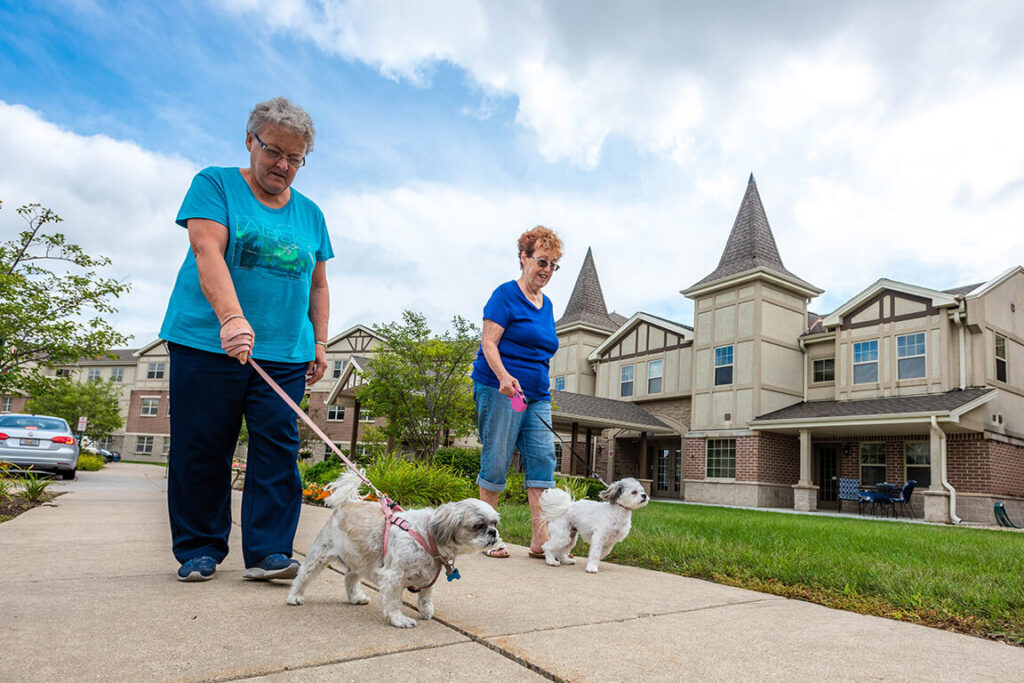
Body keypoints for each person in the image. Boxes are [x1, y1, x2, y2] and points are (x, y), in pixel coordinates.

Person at [159, 97, 333, 582]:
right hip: (208, 342)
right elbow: (205, 248)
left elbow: (317, 284)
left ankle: (269, 552)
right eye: (274, 151)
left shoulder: (311, 214)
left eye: (295, 158)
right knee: (203, 445)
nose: (283, 165)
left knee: (277, 448)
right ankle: (199, 548)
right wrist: (232, 319)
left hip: (284, 352)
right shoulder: (214, 183)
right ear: (250, 140)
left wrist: (318, 344)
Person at [471, 226, 562, 558]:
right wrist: (504, 377)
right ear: (523, 258)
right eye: (541, 261)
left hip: (536, 395)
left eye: (553, 264)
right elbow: (488, 343)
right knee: (497, 458)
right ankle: (487, 535)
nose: (547, 270)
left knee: (542, 460)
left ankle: (541, 539)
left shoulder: (547, 304)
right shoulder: (505, 295)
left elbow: (542, 349)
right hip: (500, 388)